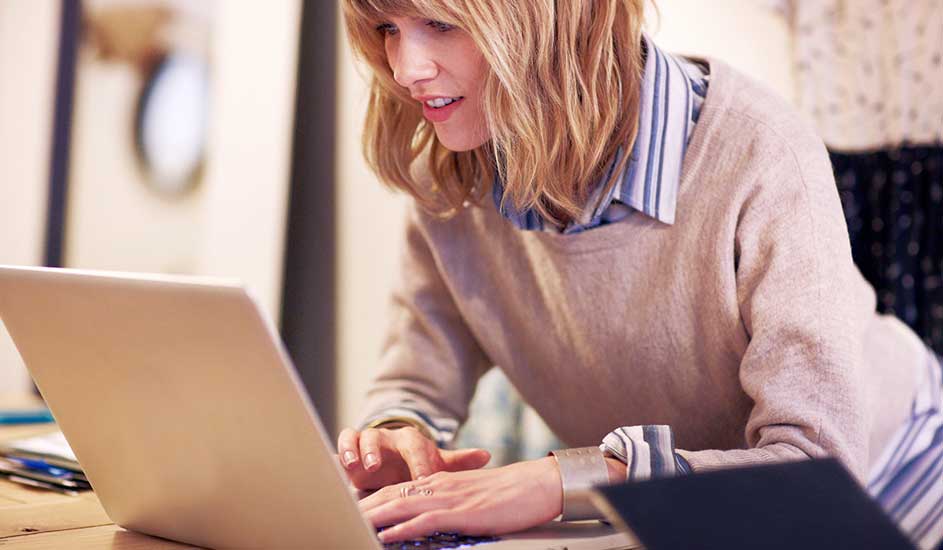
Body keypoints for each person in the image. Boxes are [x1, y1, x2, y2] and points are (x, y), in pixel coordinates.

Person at [336, 1, 943, 548]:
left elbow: (815, 474)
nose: (406, 67)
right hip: (686, 517)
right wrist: (396, 438)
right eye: (389, 28)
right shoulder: (452, 171)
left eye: (441, 24)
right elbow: (417, 377)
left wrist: (567, 479)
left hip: (900, 497)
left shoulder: (761, 152)